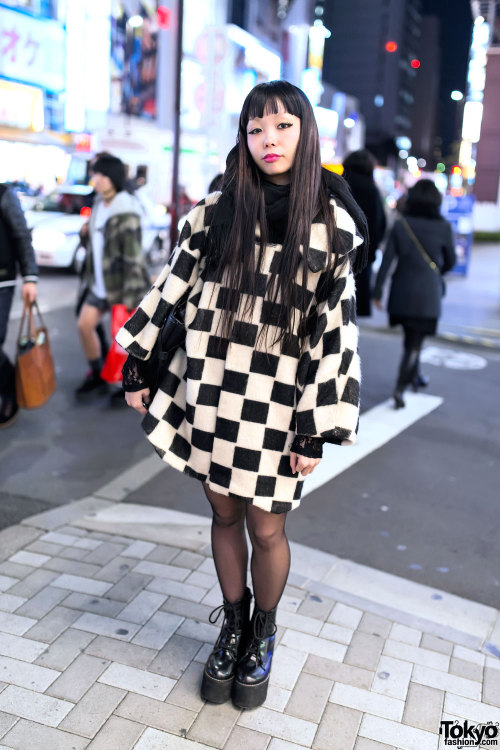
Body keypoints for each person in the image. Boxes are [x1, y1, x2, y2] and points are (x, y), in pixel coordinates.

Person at [116, 80, 368, 708]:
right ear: (244, 138)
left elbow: (335, 334)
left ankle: (262, 632)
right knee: (223, 513)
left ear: (306, 132)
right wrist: (139, 361)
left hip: (279, 405)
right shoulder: (217, 209)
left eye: (282, 126)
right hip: (212, 388)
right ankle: (232, 622)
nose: (269, 140)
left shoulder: (331, 227)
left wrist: (315, 425)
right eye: (257, 130)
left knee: (267, 527)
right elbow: (171, 287)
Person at [373, 179, 456, 408]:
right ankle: (400, 389)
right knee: (414, 343)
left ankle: (416, 377)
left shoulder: (402, 225)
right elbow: (451, 262)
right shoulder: (444, 227)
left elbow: (387, 260)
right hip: (428, 295)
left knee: (412, 337)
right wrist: (436, 272)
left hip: (401, 293)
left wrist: (378, 291)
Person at [75, 154, 150, 401]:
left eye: (102, 175)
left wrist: (130, 298)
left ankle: (126, 384)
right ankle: (97, 373)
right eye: (96, 174)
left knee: (124, 339)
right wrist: (84, 232)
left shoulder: (125, 208)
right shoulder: (99, 205)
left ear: (113, 178)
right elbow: (93, 244)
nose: (96, 179)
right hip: (99, 284)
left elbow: (133, 256)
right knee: (84, 325)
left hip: (122, 286)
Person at [0, 183, 38, 428]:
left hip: (2, 281)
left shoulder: (4, 194)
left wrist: (30, 277)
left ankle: (10, 386)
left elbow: (21, 235)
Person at [342, 149, 386, 317]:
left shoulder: (337, 184)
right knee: (353, 309)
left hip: (334, 251)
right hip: (361, 255)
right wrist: (371, 252)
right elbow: (378, 226)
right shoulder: (372, 191)